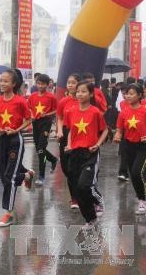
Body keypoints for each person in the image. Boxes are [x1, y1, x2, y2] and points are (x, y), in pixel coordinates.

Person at [0, 69, 34, 227]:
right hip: (2, 140)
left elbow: (29, 119)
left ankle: (8, 213)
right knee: (3, 176)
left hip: (16, 140)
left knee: (10, 176)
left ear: (14, 84)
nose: (2, 83)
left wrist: (16, 129)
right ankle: (27, 176)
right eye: (1, 80)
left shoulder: (20, 101)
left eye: (6, 81)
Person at [64, 80, 108, 229]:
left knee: (84, 186)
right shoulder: (71, 111)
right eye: (78, 91)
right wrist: (69, 145)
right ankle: (90, 219)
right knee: (77, 189)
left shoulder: (95, 112)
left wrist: (97, 144)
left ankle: (99, 199)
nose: (80, 94)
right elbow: (71, 131)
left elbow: (105, 130)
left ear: (90, 94)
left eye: (83, 91)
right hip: (75, 153)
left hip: (90, 153)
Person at [114, 83, 146, 213]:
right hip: (128, 145)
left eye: (131, 93)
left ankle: (142, 201)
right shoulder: (123, 112)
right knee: (133, 175)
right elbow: (119, 128)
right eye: (127, 93)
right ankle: (142, 198)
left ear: (139, 95)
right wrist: (117, 135)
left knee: (136, 172)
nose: (128, 96)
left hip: (143, 146)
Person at [27, 73, 58, 185]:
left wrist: (47, 114)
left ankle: (41, 176)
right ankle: (53, 159)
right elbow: (29, 108)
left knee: (41, 150)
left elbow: (56, 110)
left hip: (46, 123)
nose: (40, 86)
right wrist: (31, 116)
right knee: (39, 148)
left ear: (47, 84)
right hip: (36, 123)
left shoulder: (51, 97)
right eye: (38, 83)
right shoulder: (32, 96)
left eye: (43, 84)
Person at [56, 73, 81, 209]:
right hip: (65, 135)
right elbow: (59, 117)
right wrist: (59, 130)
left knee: (76, 166)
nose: (70, 85)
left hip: (80, 134)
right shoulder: (63, 101)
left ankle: (75, 198)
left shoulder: (83, 100)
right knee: (66, 168)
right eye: (68, 82)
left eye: (73, 82)